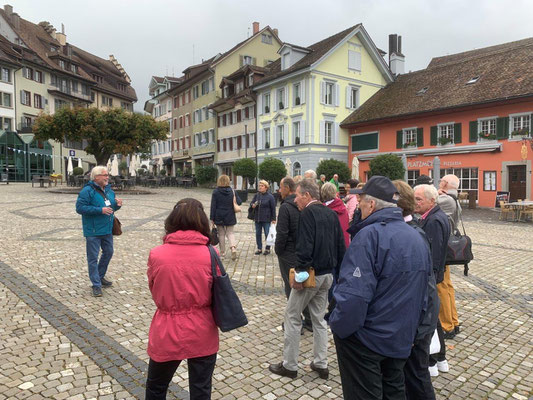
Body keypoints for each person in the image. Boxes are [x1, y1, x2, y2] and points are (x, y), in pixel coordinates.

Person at [329, 176, 432, 400]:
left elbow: (354, 295)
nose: (359, 205)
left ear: (372, 204)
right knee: (394, 391)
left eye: (362, 200)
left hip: (368, 339)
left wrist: (339, 326)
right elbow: (425, 294)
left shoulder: (369, 235)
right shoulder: (416, 236)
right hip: (399, 337)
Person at [269, 179, 345, 379]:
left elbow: (304, 247)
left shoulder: (308, 214)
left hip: (311, 274)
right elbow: (340, 245)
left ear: (308, 196)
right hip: (328, 274)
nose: (296, 201)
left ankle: (290, 365)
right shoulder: (331, 213)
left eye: (298, 196)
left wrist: (300, 276)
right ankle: (321, 363)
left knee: (293, 316)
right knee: (319, 319)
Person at [145, 198, 218, 399]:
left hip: (167, 327)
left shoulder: (157, 254)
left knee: (156, 387)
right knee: (201, 389)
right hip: (202, 327)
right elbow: (216, 292)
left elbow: (154, 289)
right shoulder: (211, 253)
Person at [393, 180, 439, 400]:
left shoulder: (413, 233)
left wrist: (417, 329)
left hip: (418, 323)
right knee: (411, 376)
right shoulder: (411, 228)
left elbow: (424, 285)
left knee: (417, 377)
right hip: (416, 321)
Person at [414, 184, 451, 378]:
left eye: (419, 199)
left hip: (431, 277)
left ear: (431, 201)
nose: (415, 203)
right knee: (434, 318)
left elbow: (434, 254)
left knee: (430, 319)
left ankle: (433, 360)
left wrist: (430, 278)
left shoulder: (435, 220)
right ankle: (440, 358)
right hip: (433, 276)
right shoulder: (433, 216)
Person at [75, 166, 122, 297]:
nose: (107, 177)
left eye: (108, 175)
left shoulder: (109, 191)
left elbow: (110, 207)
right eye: (104, 175)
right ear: (96, 177)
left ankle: (100, 276)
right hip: (93, 230)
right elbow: (79, 208)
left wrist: (117, 205)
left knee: (109, 252)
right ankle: (96, 285)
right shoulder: (87, 191)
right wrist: (99, 210)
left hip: (107, 229)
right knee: (92, 258)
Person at [275, 177, 312, 332]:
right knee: (306, 285)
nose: (279, 190)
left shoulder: (286, 207)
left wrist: (278, 250)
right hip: (305, 251)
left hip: (289, 253)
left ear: (288, 188)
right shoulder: (305, 206)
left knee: (292, 287)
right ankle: (309, 320)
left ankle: (295, 321)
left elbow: (282, 233)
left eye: (281, 187)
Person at [437, 174, 461, 339]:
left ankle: (446, 326)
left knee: (441, 287)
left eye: (440, 181)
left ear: (445, 184)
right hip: (446, 245)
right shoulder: (454, 199)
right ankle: (453, 321)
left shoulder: (445, 200)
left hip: (441, 247)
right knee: (447, 285)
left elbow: (426, 203)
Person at [210, 174, 242, 260]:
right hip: (230, 214)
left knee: (221, 234)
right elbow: (239, 202)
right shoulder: (232, 191)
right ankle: (233, 248)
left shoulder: (216, 192)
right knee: (230, 232)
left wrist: (212, 218)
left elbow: (213, 206)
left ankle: (222, 253)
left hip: (219, 215)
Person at [250, 180, 276, 255]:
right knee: (258, 234)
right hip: (257, 218)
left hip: (266, 218)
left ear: (266, 187)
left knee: (267, 233)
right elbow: (252, 203)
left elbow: (273, 208)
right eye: (259, 186)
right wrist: (253, 205)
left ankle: (267, 249)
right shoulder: (257, 195)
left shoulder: (270, 196)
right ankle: (259, 248)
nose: (260, 187)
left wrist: (274, 219)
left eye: (262, 186)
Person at [321, 182, 350, 249]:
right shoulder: (343, 207)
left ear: (322, 193)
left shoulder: (323, 210)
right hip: (344, 245)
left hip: (330, 248)